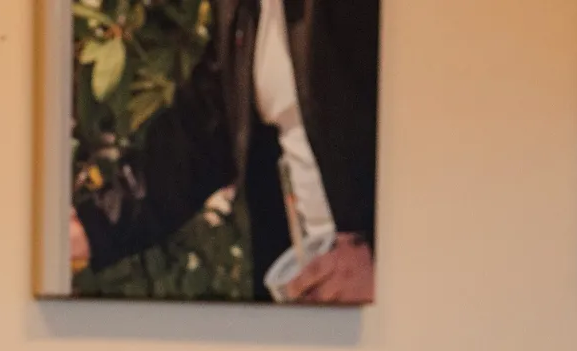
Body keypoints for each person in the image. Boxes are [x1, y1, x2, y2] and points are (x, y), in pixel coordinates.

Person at [69, 0, 379, 303]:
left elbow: (425, 121)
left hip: (402, 297)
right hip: (318, 289)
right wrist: (93, 227)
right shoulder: (242, 8)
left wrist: (387, 263)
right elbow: (203, 130)